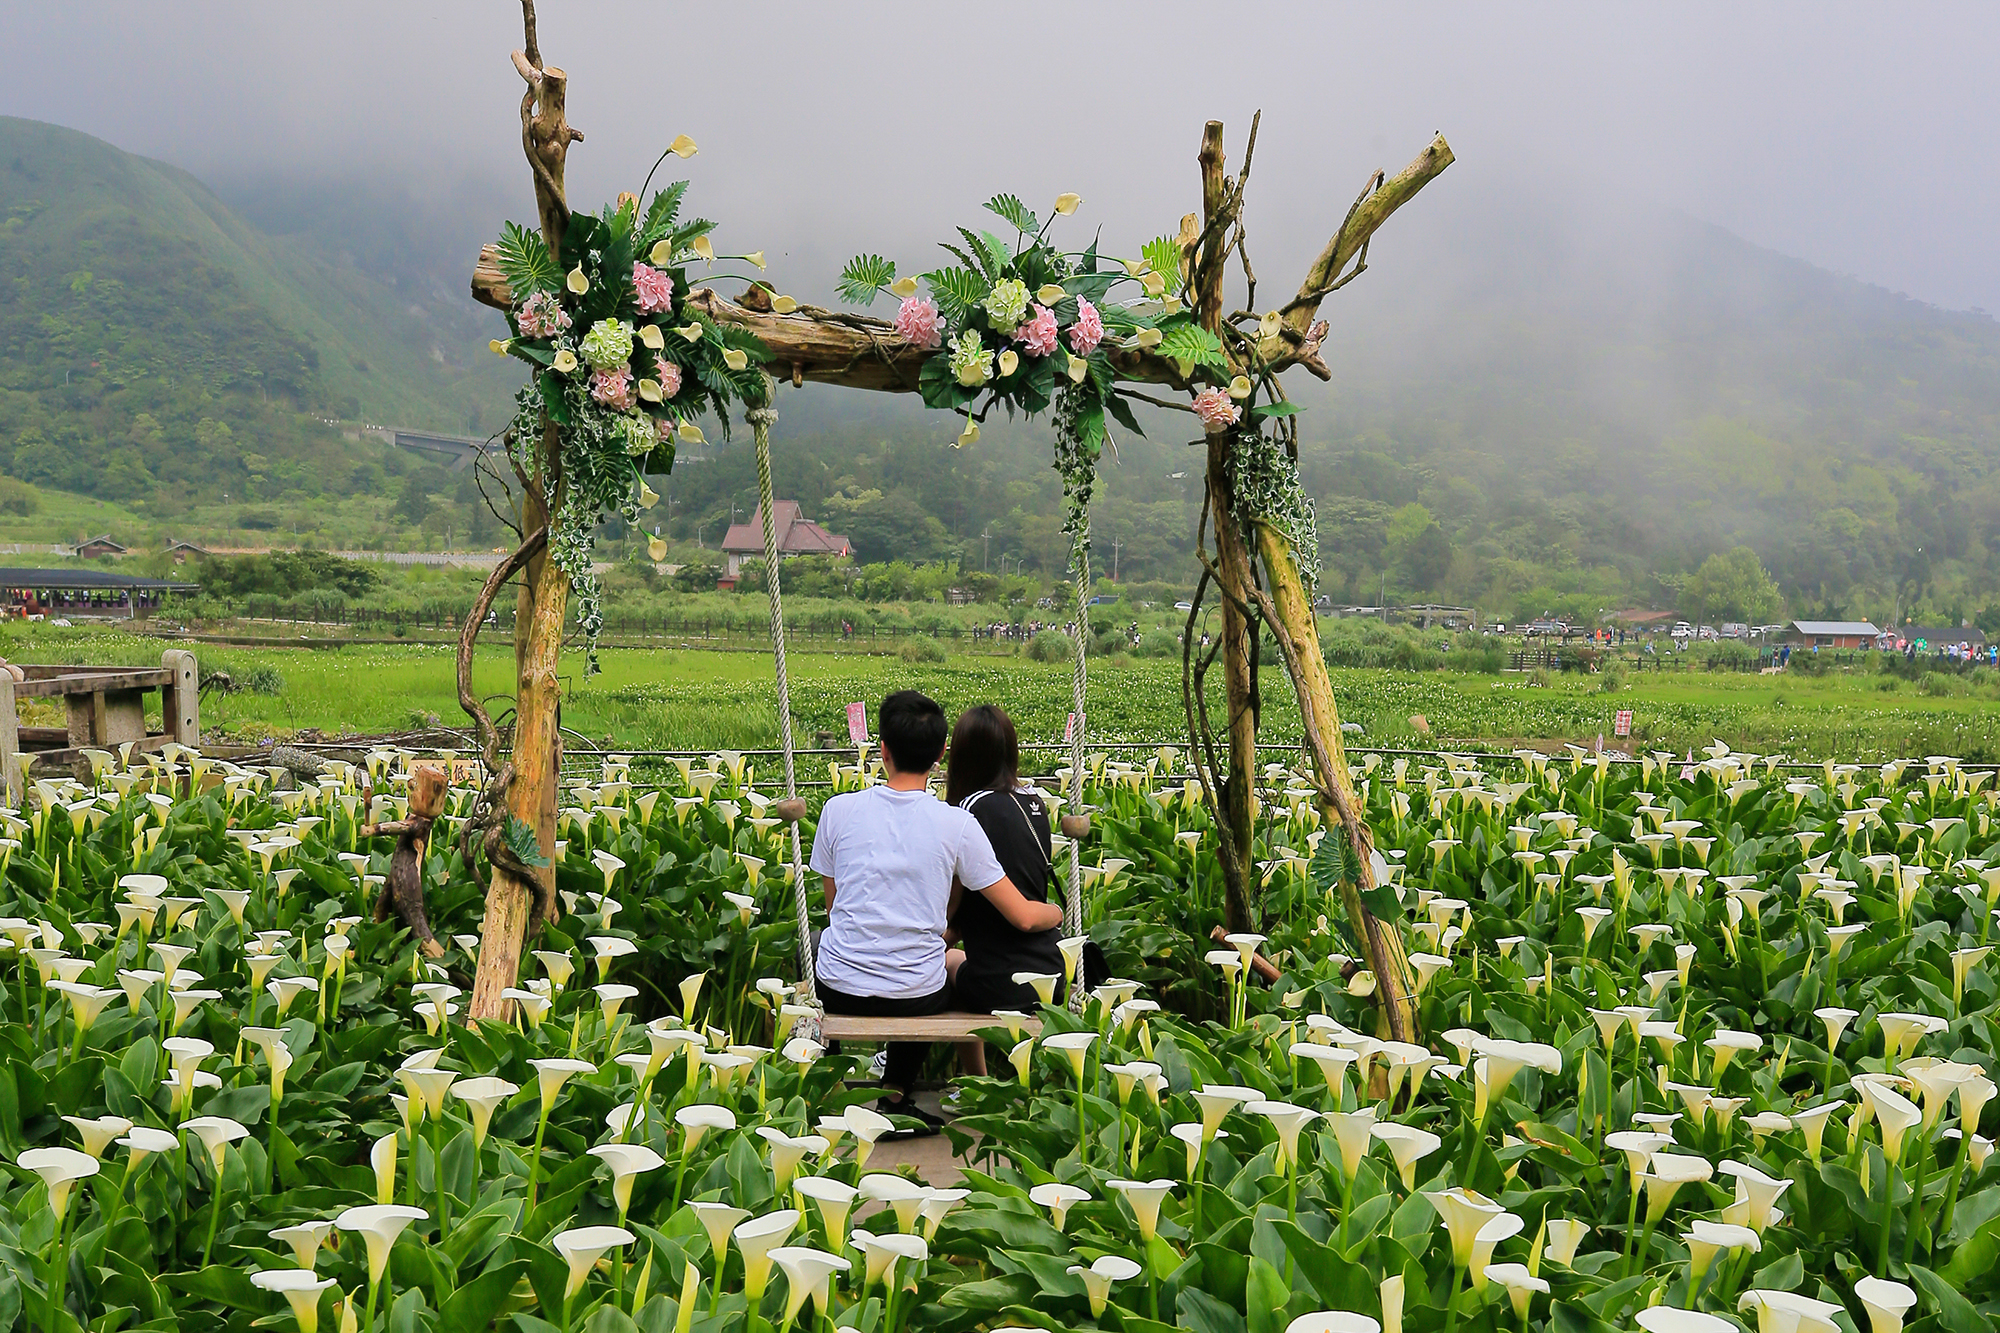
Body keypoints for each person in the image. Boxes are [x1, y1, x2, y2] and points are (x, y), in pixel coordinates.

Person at [809, 689, 1060, 1133]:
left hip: (839, 989)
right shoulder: (957, 824)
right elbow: (1019, 913)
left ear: (883, 750)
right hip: (917, 996)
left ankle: (828, 1088)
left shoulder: (836, 809)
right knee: (927, 965)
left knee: (814, 945)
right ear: (941, 753)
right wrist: (1056, 912)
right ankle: (895, 1094)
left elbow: (834, 909)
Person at [942, 705, 1066, 1076]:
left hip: (1001, 980)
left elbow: (951, 909)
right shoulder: (1035, 803)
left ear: (961, 757)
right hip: (1053, 970)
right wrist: (1056, 912)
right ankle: (985, 1084)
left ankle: (976, 1081)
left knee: (945, 963)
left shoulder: (969, 809)